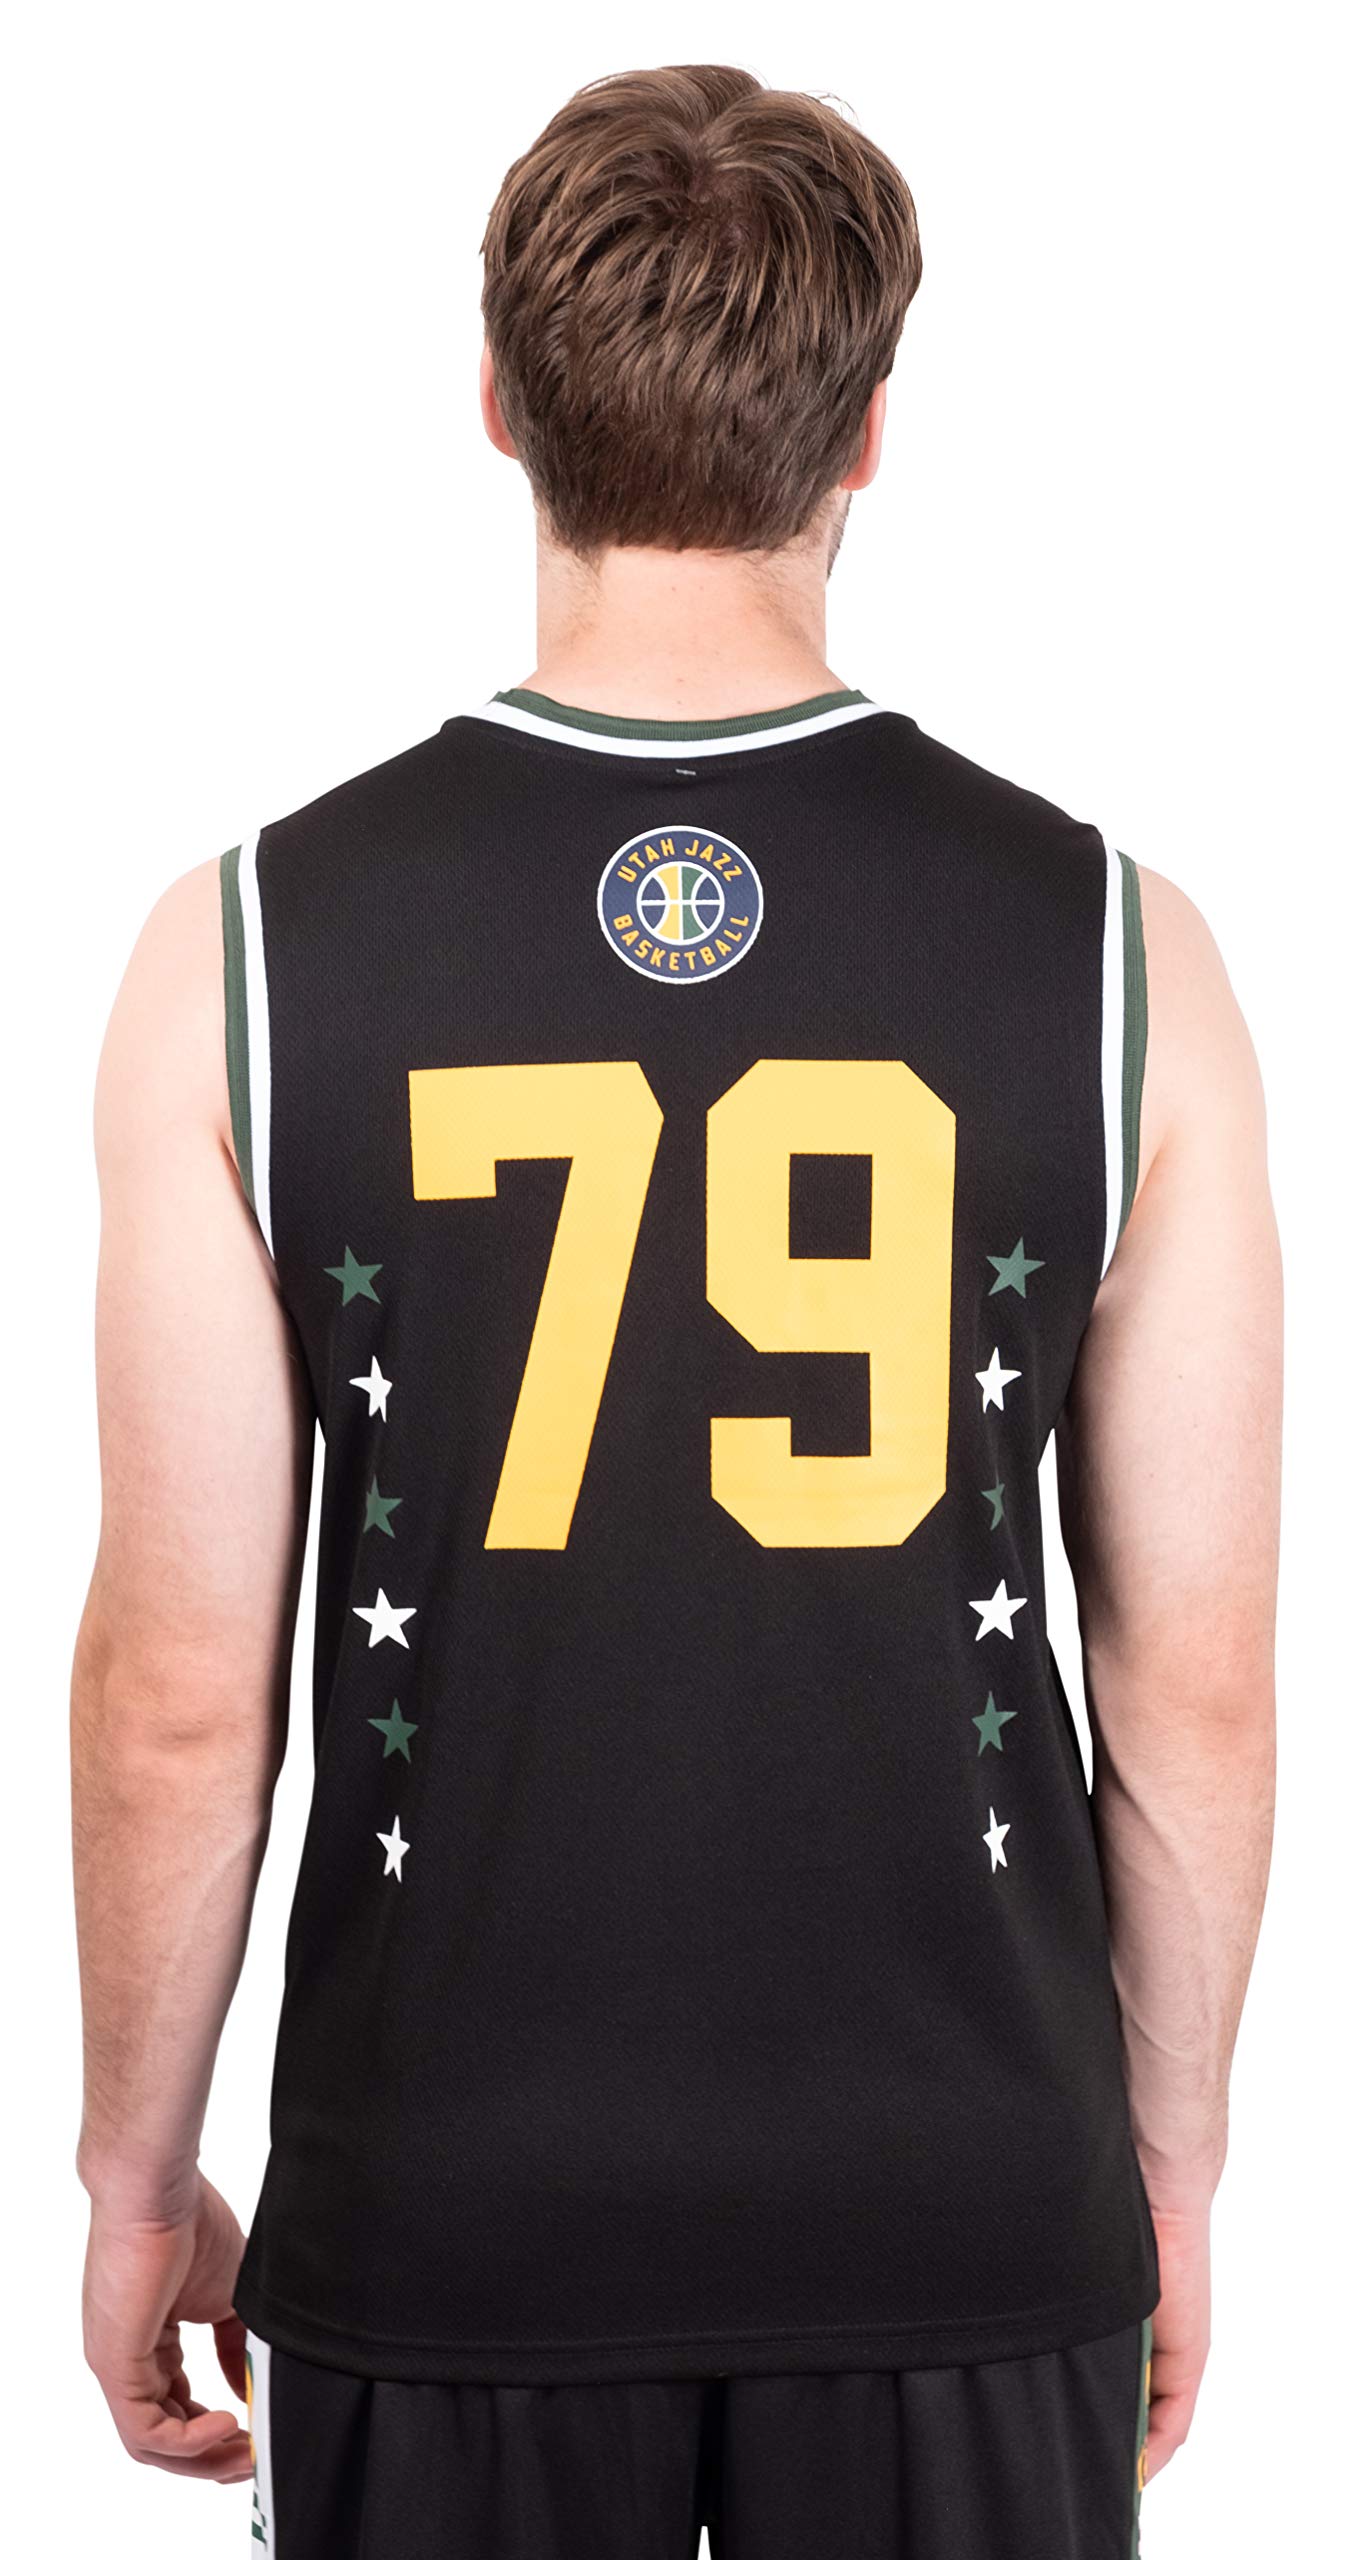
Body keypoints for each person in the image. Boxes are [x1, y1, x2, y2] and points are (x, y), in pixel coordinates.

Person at [72, 62, 1280, 2560]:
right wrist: (1171, 2160)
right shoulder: (1123, 955)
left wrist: (133, 2171)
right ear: (870, 434)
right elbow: (1193, 1678)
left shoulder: (243, 955)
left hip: (445, 2218)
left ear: (498, 403)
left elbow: (184, 1689)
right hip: (966, 2212)